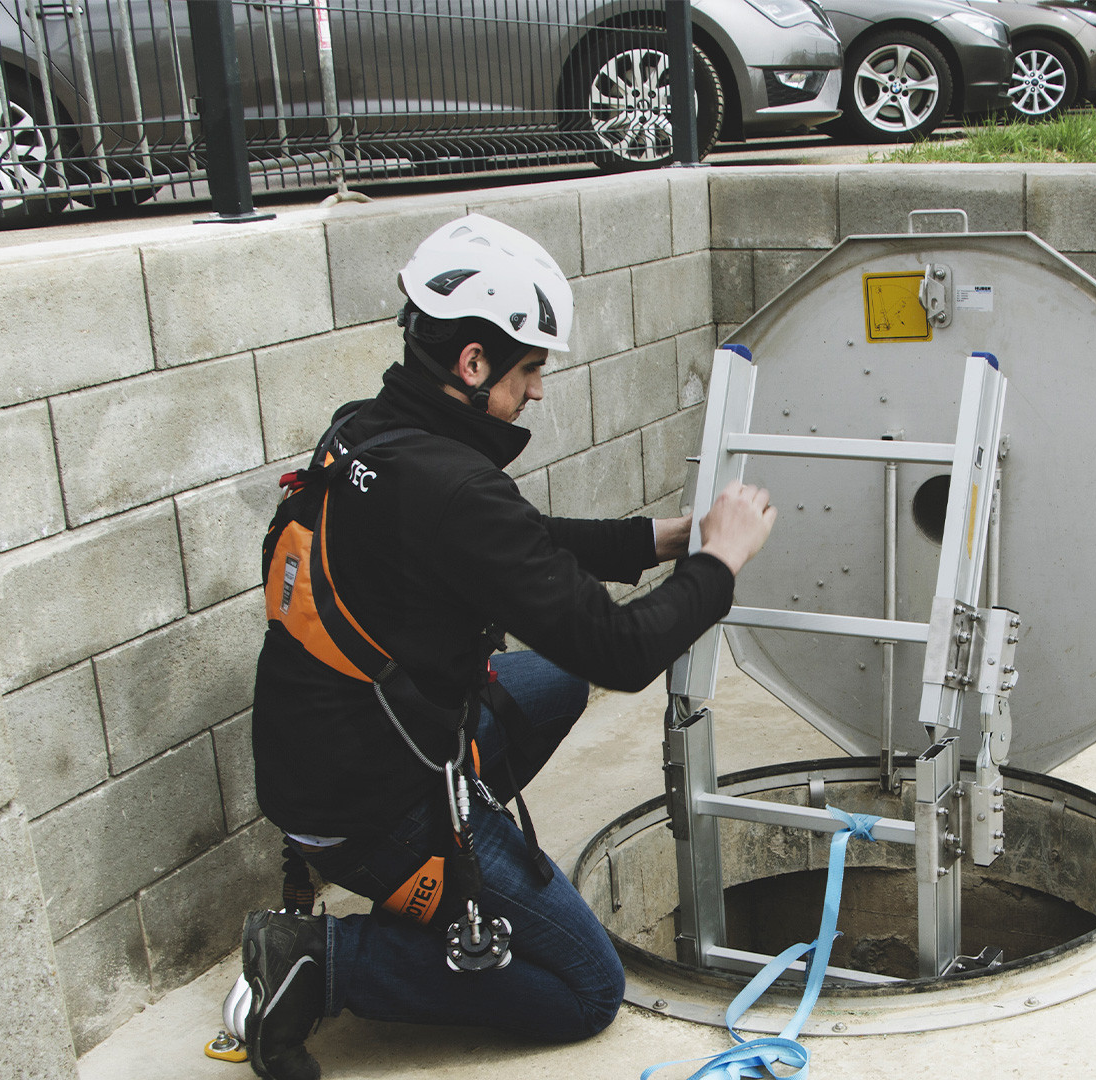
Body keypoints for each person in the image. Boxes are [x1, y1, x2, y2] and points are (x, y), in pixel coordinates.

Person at [242, 213, 776, 1080]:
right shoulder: (454, 488)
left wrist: (664, 538)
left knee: (552, 679)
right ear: (473, 362)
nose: (538, 390)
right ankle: (317, 963)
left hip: (319, 751)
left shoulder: (369, 433)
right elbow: (619, 649)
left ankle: (448, 856)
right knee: (583, 988)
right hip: (370, 803)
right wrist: (719, 563)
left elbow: (516, 542)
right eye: (530, 368)